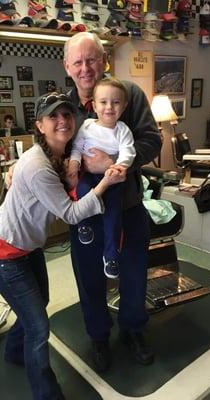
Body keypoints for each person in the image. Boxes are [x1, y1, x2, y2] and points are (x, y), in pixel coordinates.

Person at [0, 92, 125, 400]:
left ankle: (13, 351)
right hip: (5, 253)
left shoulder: (59, 155)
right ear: (40, 125)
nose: (62, 121)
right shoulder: (38, 165)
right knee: (39, 328)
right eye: (53, 116)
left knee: (39, 302)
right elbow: (70, 213)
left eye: (66, 114)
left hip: (27, 248)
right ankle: (47, 395)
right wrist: (105, 183)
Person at [63, 32, 162, 371]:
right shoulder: (63, 107)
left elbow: (152, 139)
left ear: (103, 59)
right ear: (67, 66)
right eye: (77, 61)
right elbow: (48, 148)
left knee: (134, 273)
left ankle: (133, 330)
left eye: (91, 59)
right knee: (89, 278)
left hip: (128, 206)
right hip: (85, 211)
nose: (85, 68)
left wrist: (118, 163)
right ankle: (99, 337)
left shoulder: (129, 94)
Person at [68, 77, 136, 279]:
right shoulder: (87, 126)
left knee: (113, 217)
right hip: (90, 177)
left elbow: (128, 151)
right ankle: (84, 225)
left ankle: (111, 255)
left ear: (123, 107)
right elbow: (77, 148)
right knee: (82, 192)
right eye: (104, 102)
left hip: (113, 180)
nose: (109, 107)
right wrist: (74, 163)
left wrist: (119, 166)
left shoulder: (122, 130)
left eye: (116, 103)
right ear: (94, 105)